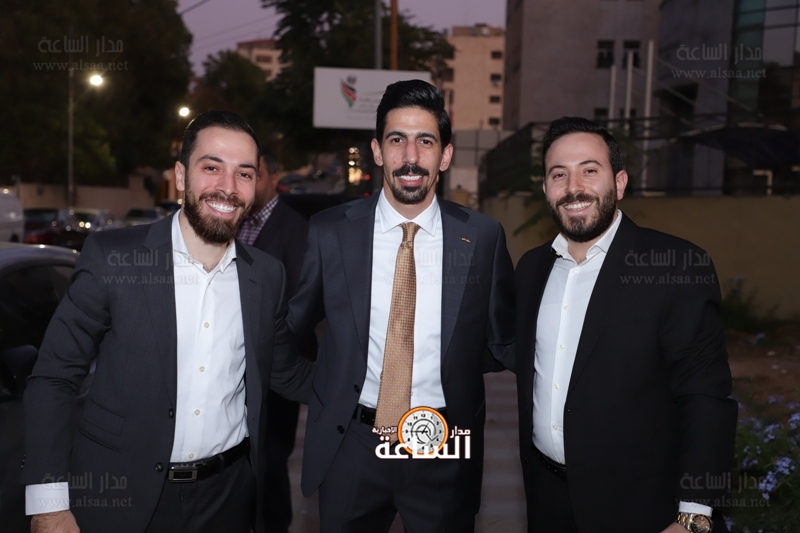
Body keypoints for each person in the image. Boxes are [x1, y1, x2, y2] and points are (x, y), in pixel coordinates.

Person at [23, 110, 313, 533]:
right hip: (121, 498)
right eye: (211, 167)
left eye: (244, 174)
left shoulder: (266, 275)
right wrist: (49, 505)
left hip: (227, 500)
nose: (228, 187)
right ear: (180, 175)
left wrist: (377, 388)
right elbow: (53, 377)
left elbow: (286, 370)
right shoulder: (114, 258)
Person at [288, 79, 515, 532]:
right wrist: (324, 388)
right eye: (397, 140)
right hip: (352, 445)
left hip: (443, 446)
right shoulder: (330, 232)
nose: (411, 156)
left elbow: (501, 341)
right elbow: (290, 329)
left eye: (425, 141)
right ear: (377, 151)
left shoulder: (482, 237)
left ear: (445, 156)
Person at [514, 116, 737, 533]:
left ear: (619, 183)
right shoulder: (531, 269)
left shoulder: (674, 267)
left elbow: (706, 397)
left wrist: (694, 515)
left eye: (589, 170)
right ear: (545, 188)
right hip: (547, 500)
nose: (573, 187)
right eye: (559, 174)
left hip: (643, 508)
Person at [238, 147, 318, 532]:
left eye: (253, 174)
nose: (246, 183)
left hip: (276, 372)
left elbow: (303, 308)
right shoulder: (233, 220)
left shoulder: (295, 230)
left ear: (273, 179)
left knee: (268, 463)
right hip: (234, 369)